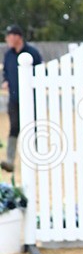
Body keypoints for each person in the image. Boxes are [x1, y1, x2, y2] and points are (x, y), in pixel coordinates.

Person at [2, 24, 42, 172]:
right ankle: (10, 161)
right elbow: (6, 72)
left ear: (17, 36)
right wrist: (5, 81)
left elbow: (40, 73)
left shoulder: (33, 53)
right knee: (14, 128)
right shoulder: (8, 55)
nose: (7, 39)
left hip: (32, 98)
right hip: (14, 99)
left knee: (35, 127)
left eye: (9, 36)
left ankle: (37, 158)